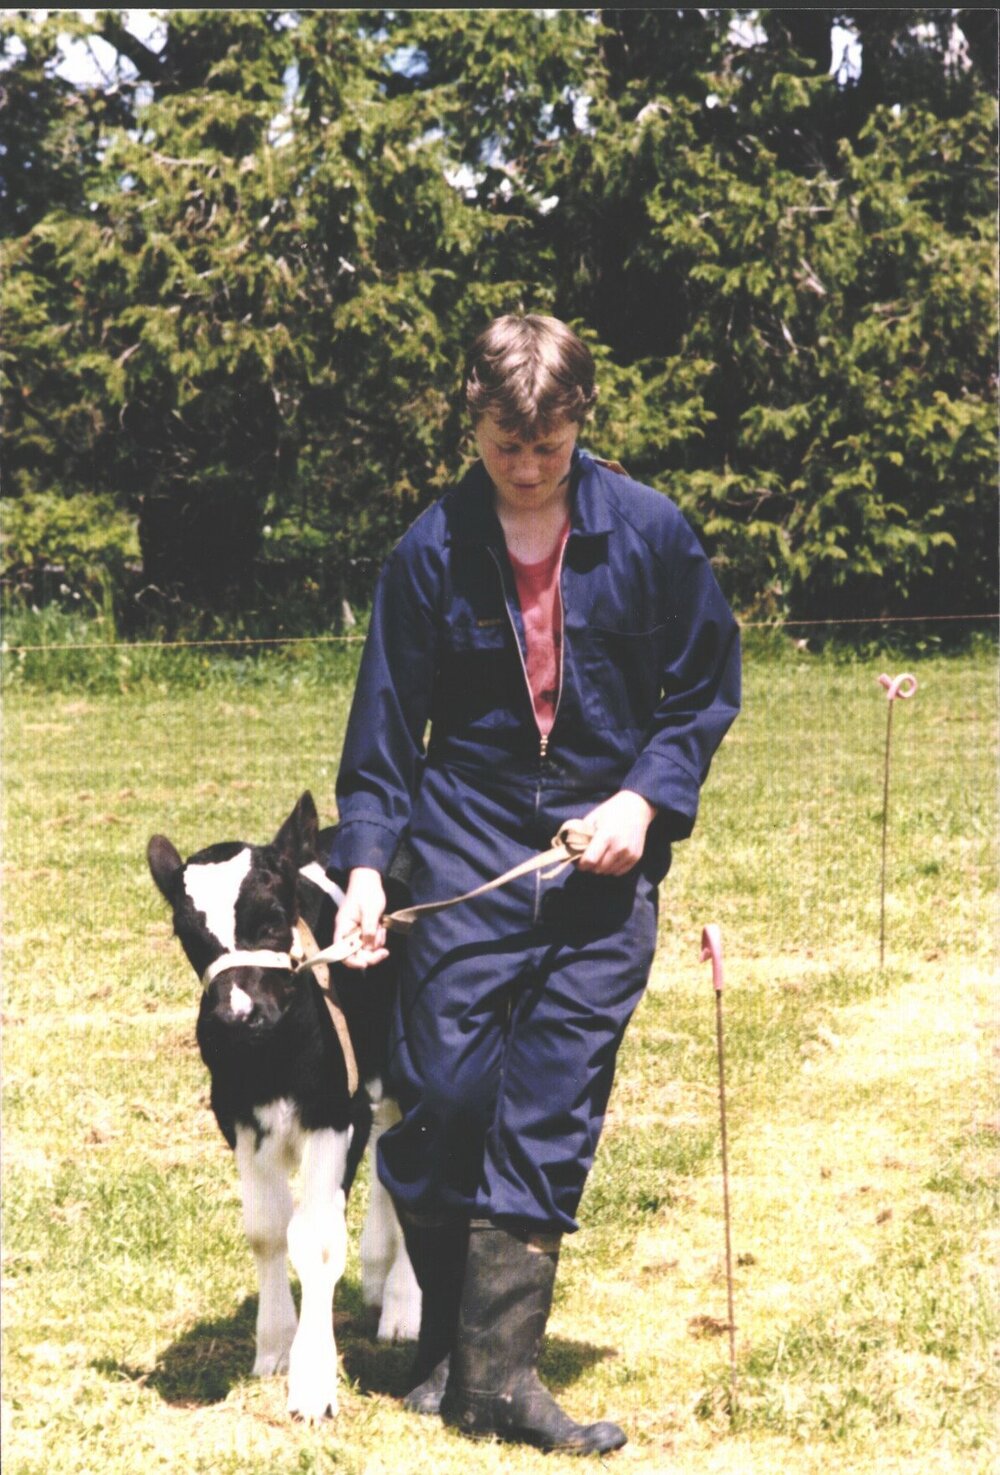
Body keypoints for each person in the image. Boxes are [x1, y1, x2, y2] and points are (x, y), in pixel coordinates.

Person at [327, 313, 740, 1454]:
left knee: (550, 1100)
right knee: (443, 1088)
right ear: (474, 423)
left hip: (601, 854)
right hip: (466, 838)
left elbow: (701, 689)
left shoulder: (651, 532)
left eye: (547, 447)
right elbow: (380, 739)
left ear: (578, 425)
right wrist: (367, 867)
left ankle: (496, 1376)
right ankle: (445, 1339)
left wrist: (642, 802)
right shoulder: (425, 551)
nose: (526, 467)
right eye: (506, 445)